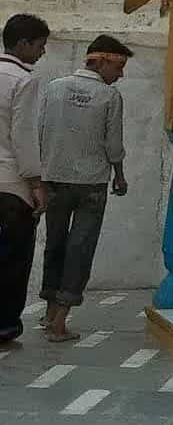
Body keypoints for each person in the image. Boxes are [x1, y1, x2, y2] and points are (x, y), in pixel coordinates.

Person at [37, 34, 131, 343]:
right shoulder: (109, 97)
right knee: (81, 248)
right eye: (118, 67)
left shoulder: (54, 88)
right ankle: (60, 323)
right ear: (102, 62)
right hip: (91, 183)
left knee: (55, 244)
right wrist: (119, 175)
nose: (121, 75)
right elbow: (113, 144)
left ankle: (49, 313)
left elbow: (40, 132)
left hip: (54, 180)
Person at [0, 14, 50, 345]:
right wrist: (36, 184)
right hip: (11, 187)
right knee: (12, 259)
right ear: (23, 44)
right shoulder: (23, 80)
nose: (42, 53)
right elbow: (24, 138)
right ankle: (4, 324)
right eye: (40, 46)